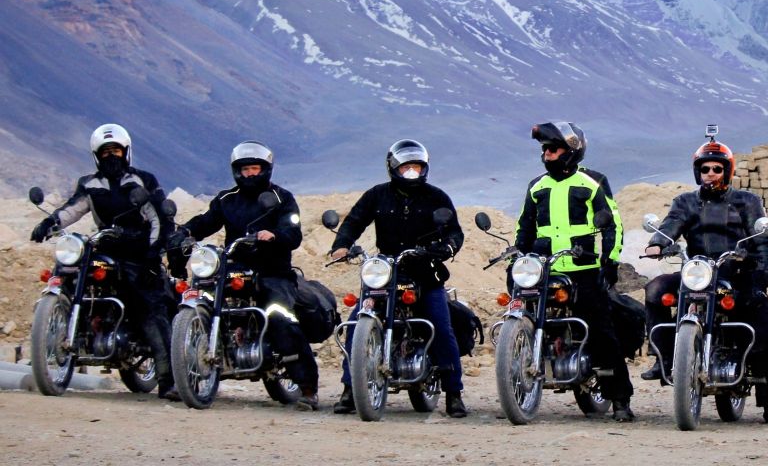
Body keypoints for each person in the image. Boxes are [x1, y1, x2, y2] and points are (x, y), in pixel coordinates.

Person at [642, 138, 768, 423]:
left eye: (717, 169)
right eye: (705, 168)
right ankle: (664, 356)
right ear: (698, 172)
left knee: (761, 320)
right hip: (697, 272)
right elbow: (671, 225)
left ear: (727, 171)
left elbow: (763, 241)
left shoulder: (746, 201)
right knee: (656, 289)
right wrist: (658, 242)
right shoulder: (685, 201)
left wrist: (762, 271)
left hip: (736, 272)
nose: (711, 173)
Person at [30, 123, 178, 400]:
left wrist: (152, 254)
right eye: (106, 151)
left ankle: (168, 379)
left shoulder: (142, 181)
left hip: (137, 251)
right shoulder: (90, 184)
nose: (112, 156)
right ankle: (50, 344)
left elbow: (160, 220)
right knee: (70, 272)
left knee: (148, 305)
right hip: (104, 246)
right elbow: (73, 209)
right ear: (97, 155)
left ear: (126, 152)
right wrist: (49, 222)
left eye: (116, 150)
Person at [327, 139, 469, 418]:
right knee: (356, 322)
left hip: (425, 272)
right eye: (406, 167)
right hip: (385, 271)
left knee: (440, 325)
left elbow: (454, 232)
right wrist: (342, 245)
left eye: (417, 167)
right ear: (393, 167)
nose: (412, 172)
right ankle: (349, 389)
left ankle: (454, 393)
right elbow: (354, 220)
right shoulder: (377, 195)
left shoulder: (436, 197)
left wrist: (445, 248)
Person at [179, 141, 321, 410]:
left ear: (266, 170)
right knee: (204, 296)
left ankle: (308, 387)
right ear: (237, 171)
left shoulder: (282, 198)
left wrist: (275, 235)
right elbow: (207, 221)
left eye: (255, 168)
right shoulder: (226, 199)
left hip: (273, 272)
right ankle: (185, 373)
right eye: (245, 170)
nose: (251, 174)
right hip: (234, 268)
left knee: (281, 318)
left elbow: (294, 233)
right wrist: (185, 233)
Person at [514, 121, 635, 422]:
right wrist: (518, 255)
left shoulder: (592, 182)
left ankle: (620, 399)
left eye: (553, 148)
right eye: (544, 149)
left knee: (601, 330)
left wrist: (610, 262)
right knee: (518, 307)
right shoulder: (536, 186)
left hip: (583, 269)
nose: (547, 153)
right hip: (544, 270)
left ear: (572, 150)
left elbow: (613, 224)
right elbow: (525, 227)